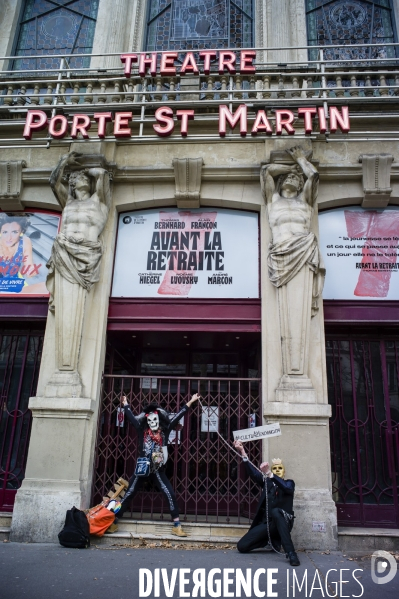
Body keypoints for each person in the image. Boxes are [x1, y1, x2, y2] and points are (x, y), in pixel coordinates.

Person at [118, 393, 200, 536]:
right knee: (129, 493)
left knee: (169, 493)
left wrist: (191, 401)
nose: (153, 422)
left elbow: (178, 415)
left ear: (160, 420)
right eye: (150, 420)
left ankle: (177, 525)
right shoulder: (141, 430)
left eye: (155, 419)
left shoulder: (165, 431)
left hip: (157, 469)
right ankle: (113, 521)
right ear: (146, 420)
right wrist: (125, 404)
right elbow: (131, 418)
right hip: (142, 469)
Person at [260, 146, 325, 316]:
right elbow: (266, 171)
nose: (292, 178)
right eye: (288, 177)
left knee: (299, 306)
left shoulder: (305, 203)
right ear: (280, 183)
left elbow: (313, 175)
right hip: (280, 253)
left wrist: (301, 159)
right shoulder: (273, 200)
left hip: (302, 251)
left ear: (300, 185)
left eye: (296, 178)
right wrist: (291, 168)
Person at [46, 151, 111, 311]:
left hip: (87, 253)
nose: (84, 178)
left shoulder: (99, 201)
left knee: (77, 304)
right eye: (80, 177)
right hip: (64, 251)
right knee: (65, 303)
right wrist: (63, 161)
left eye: (86, 178)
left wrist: (87, 169)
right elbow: (53, 182)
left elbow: (102, 174)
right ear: (73, 183)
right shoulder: (68, 202)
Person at [233, 439, 300, 566]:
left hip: (283, 522)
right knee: (242, 546)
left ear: (284, 472)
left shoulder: (289, 483)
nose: (278, 470)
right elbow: (252, 473)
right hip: (268, 525)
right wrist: (242, 451)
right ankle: (268, 540)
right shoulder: (267, 483)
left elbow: (286, 488)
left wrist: (270, 473)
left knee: (276, 512)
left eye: (280, 468)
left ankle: (291, 553)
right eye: (275, 468)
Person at [0, 214, 48, 293]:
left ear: (21, 231)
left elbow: (29, 268)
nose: (9, 237)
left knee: (44, 288)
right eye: (5, 232)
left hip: (15, 285)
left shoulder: (25, 241)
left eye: (14, 232)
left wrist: (33, 270)